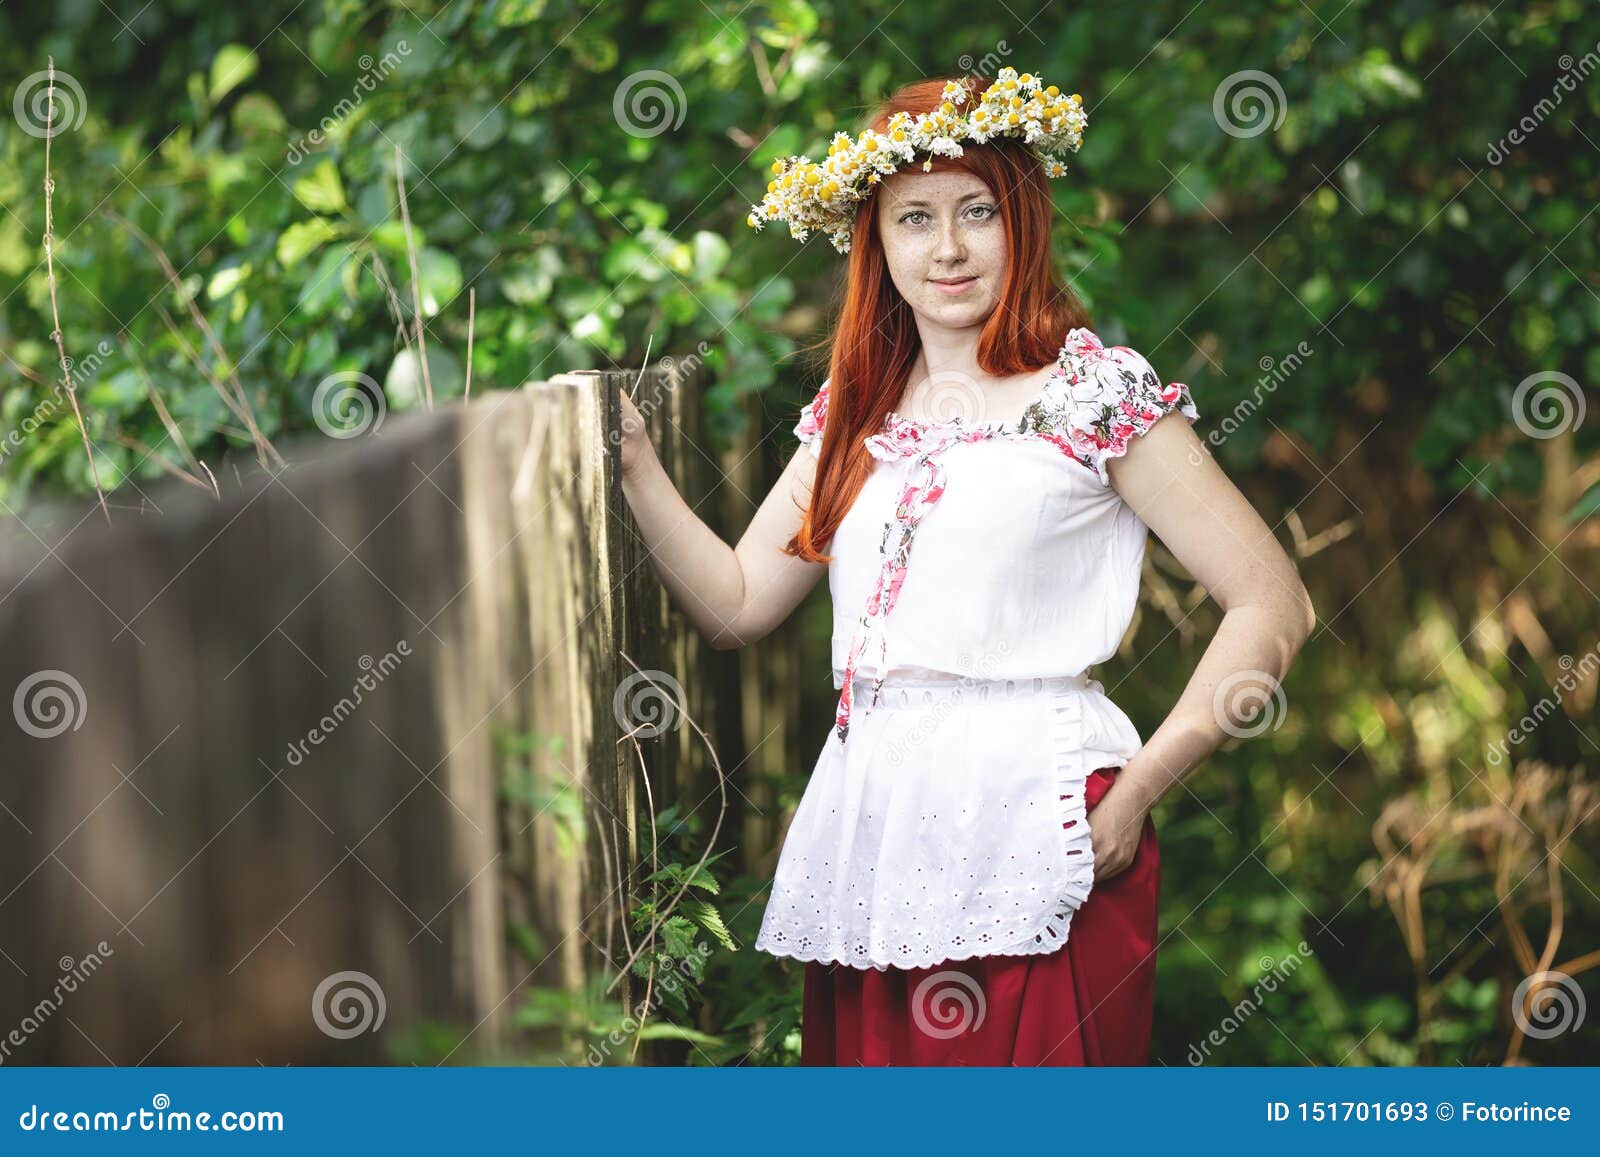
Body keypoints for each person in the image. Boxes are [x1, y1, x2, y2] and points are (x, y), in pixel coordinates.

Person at [615, 70, 1314, 1065]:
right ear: (878, 242)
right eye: (914, 219)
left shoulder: (1091, 395)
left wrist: (1139, 789)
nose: (946, 248)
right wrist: (634, 462)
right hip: (875, 835)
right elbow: (735, 601)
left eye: (976, 212)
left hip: (1046, 823)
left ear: (1020, 221)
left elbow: (1271, 600)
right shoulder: (852, 416)